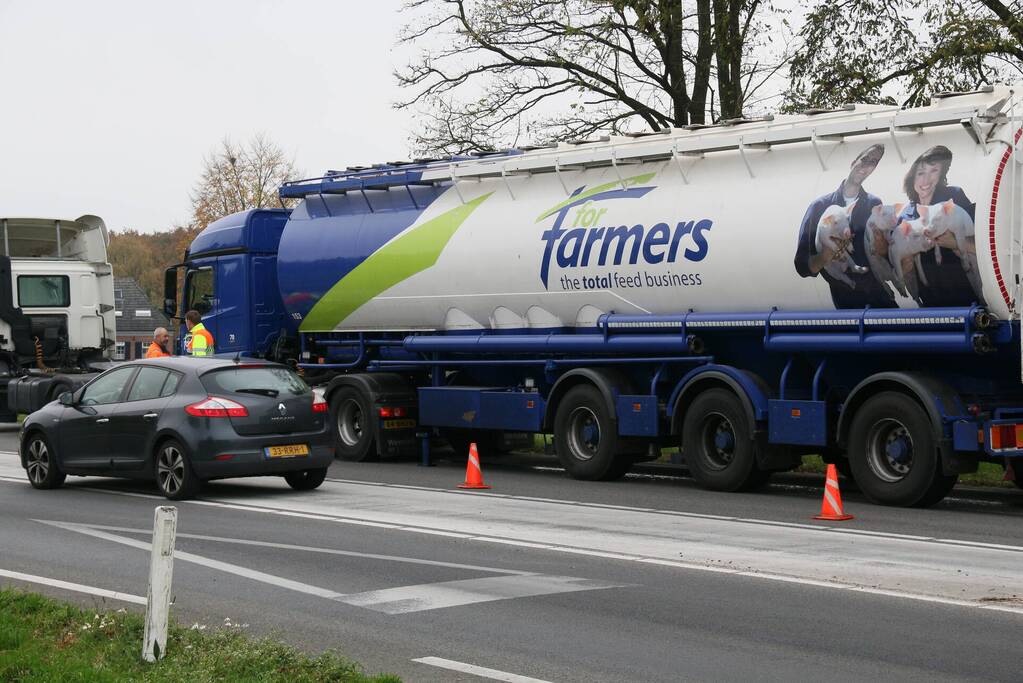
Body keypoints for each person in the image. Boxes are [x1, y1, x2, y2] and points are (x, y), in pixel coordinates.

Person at [793, 144, 896, 309]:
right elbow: (802, 266)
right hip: (846, 302)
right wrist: (826, 256)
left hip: (880, 297)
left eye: (873, 162)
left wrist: (881, 244)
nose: (866, 165)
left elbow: (884, 256)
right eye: (864, 159)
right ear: (853, 162)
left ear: (873, 169)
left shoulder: (874, 204)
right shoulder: (819, 206)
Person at [895, 145, 981, 307]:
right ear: (912, 177)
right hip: (930, 303)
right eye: (920, 173)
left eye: (933, 171)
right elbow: (905, 272)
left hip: (967, 300)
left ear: (941, 175)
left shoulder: (954, 199)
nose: (925, 180)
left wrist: (954, 242)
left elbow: (985, 249)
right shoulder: (906, 216)